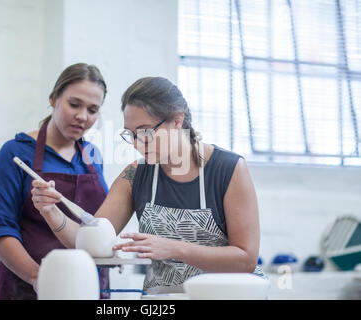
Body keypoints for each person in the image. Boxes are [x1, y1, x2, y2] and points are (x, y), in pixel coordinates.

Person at [31, 76, 266, 295]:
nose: (137, 143)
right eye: (130, 135)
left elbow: (245, 259)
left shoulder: (228, 169)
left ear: (177, 120)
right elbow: (90, 242)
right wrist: (50, 211)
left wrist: (174, 248)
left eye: (145, 132)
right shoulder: (136, 175)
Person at [0, 63, 110, 299]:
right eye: (74, 104)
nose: (82, 116)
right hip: (27, 288)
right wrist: (37, 277)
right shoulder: (15, 154)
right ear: (53, 99)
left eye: (93, 110)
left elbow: (97, 227)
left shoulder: (93, 157)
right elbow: (0, 230)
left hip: (88, 288)